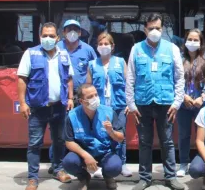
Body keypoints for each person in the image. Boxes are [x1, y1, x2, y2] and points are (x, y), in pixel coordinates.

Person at [125, 13, 186, 190]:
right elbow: (130, 78)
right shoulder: (136, 49)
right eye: (151, 28)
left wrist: (176, 103)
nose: (154, 31)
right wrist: (131, 104)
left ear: (162, 29)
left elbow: (179, 77)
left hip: (165, 103)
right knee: (144, 142)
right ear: (145, 29)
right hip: (142, 103)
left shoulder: (172, 48)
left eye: (158, 28)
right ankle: (144, 178)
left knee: (167, 141)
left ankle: (171, 177)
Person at [17, 22, 74, 190]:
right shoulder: (31, 53)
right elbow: (22, 78)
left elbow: (69, 77)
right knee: (35, 144)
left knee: (59, 140)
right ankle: (33, 178)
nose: (47, 38)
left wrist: (70, 97)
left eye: (51, 35)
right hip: (37, 108)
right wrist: (22, 102)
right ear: (39, 36)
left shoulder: (64, 54)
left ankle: (58, 169)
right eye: (44, 35)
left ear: (58, 38)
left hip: (59, 106)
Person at [48, 19, 97, 174]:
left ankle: (79, 161)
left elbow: (94, 70)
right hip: (62, 95)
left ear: (81, 32)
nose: (72, 32)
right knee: (60, 129)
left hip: (82, 96)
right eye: (69, 29)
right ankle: (56, 163)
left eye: (75, 29)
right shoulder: (56, 48)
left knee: (81, 128)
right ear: (63, 32)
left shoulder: (88, 49)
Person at [62, 83, 125, 190]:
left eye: (96, 95)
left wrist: (111, 132)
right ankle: (84, 177)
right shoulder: (72, 116)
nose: (95, 98)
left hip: (105, 152)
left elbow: (121, 138)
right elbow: (69, 142)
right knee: (69, 162)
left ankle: (108, 176)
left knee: (115, 167)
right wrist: (86, 156)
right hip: (83, 154)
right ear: (81, 101)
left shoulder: (108, 112)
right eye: (90, 97)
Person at [87, 32, 132, 178]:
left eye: (106, 44)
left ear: (112, 47)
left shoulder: (120, 62)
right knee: (100, 134)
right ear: (97, 47)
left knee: (120, 135)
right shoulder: (92, 64)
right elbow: (87, 86)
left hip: (118, 106)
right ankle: (100, 163)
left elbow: (129, 84)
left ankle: (122, 164)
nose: (103, 46)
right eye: (100, 44)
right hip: (99, 107)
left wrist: (130, 102)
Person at [177, 29, 205, 177]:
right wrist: (183, 96)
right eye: (190, 39)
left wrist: (203, 96)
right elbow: (174, 78)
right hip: (183, 104)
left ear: (201, 43)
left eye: (196, 40)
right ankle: (183, 164)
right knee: (183, 135)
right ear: (185, 41)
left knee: (203, 135)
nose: (192, 42)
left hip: (202, 104)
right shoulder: (180, 58)